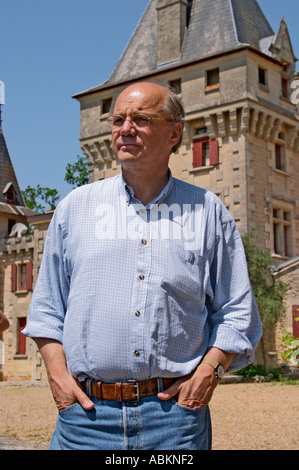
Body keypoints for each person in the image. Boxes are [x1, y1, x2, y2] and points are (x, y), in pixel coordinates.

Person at [23, 82, 262, 450]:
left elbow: (237, 310)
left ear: (174, 132)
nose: (125, 128)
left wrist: (209, 374)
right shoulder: (75, 208)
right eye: (118, 119)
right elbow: (46, 308)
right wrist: (58, 377)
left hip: (174, 422)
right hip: (84, 420)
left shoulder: (208, 211)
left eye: (141, 118)